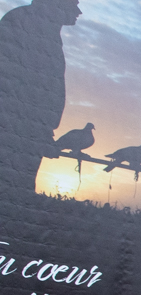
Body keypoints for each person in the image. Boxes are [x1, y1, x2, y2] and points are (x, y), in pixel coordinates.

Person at [0, 0, 82, 196]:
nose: (78, 11)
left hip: (28, 131)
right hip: (15, 130)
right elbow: (20, 84)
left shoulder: (44, 29)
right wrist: (36, 131)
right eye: (74, 4)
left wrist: (43, 131)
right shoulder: (25, 23)